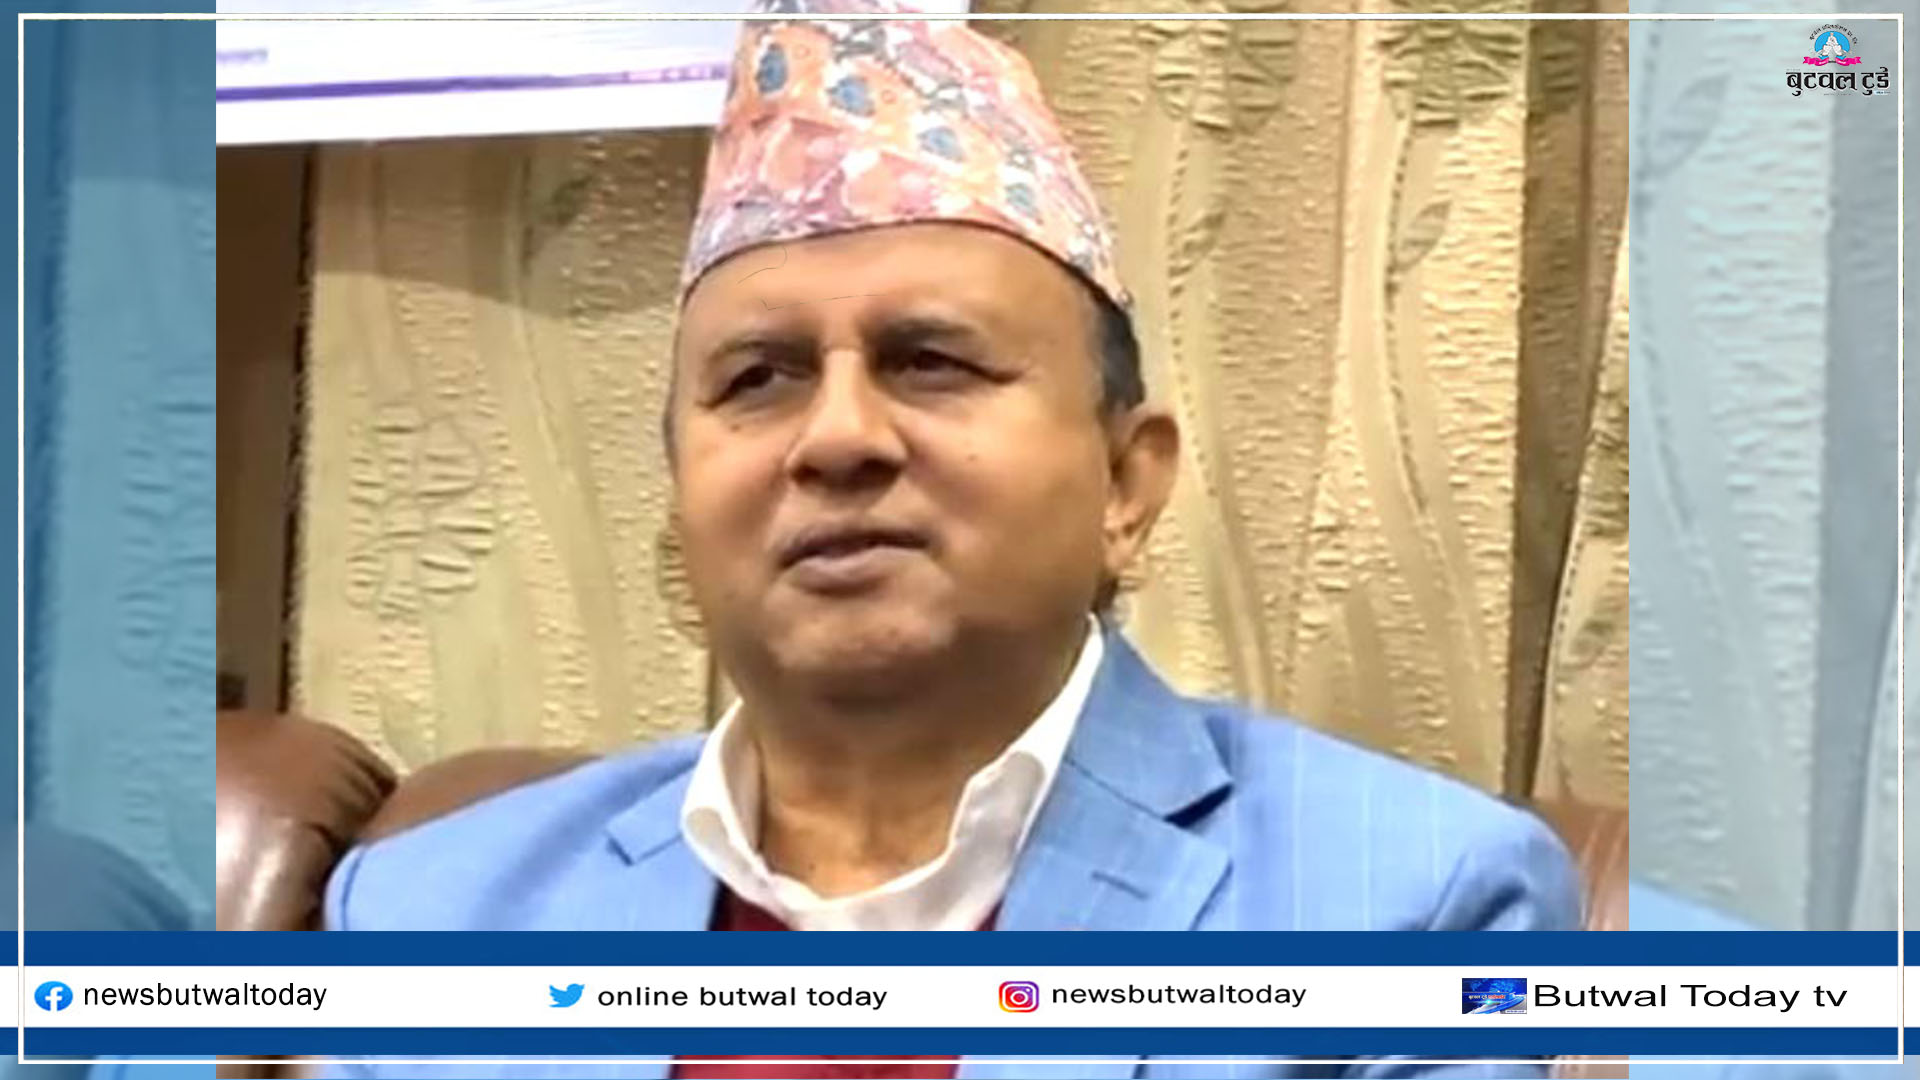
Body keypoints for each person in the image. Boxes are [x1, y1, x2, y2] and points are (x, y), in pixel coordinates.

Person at [321, 0, 1580, 1075]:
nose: (837, 438)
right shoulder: (434, 914)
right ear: (678, 493)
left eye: (931, 361)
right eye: (759, 379)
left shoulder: (1410, 905)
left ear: (1125, 482)